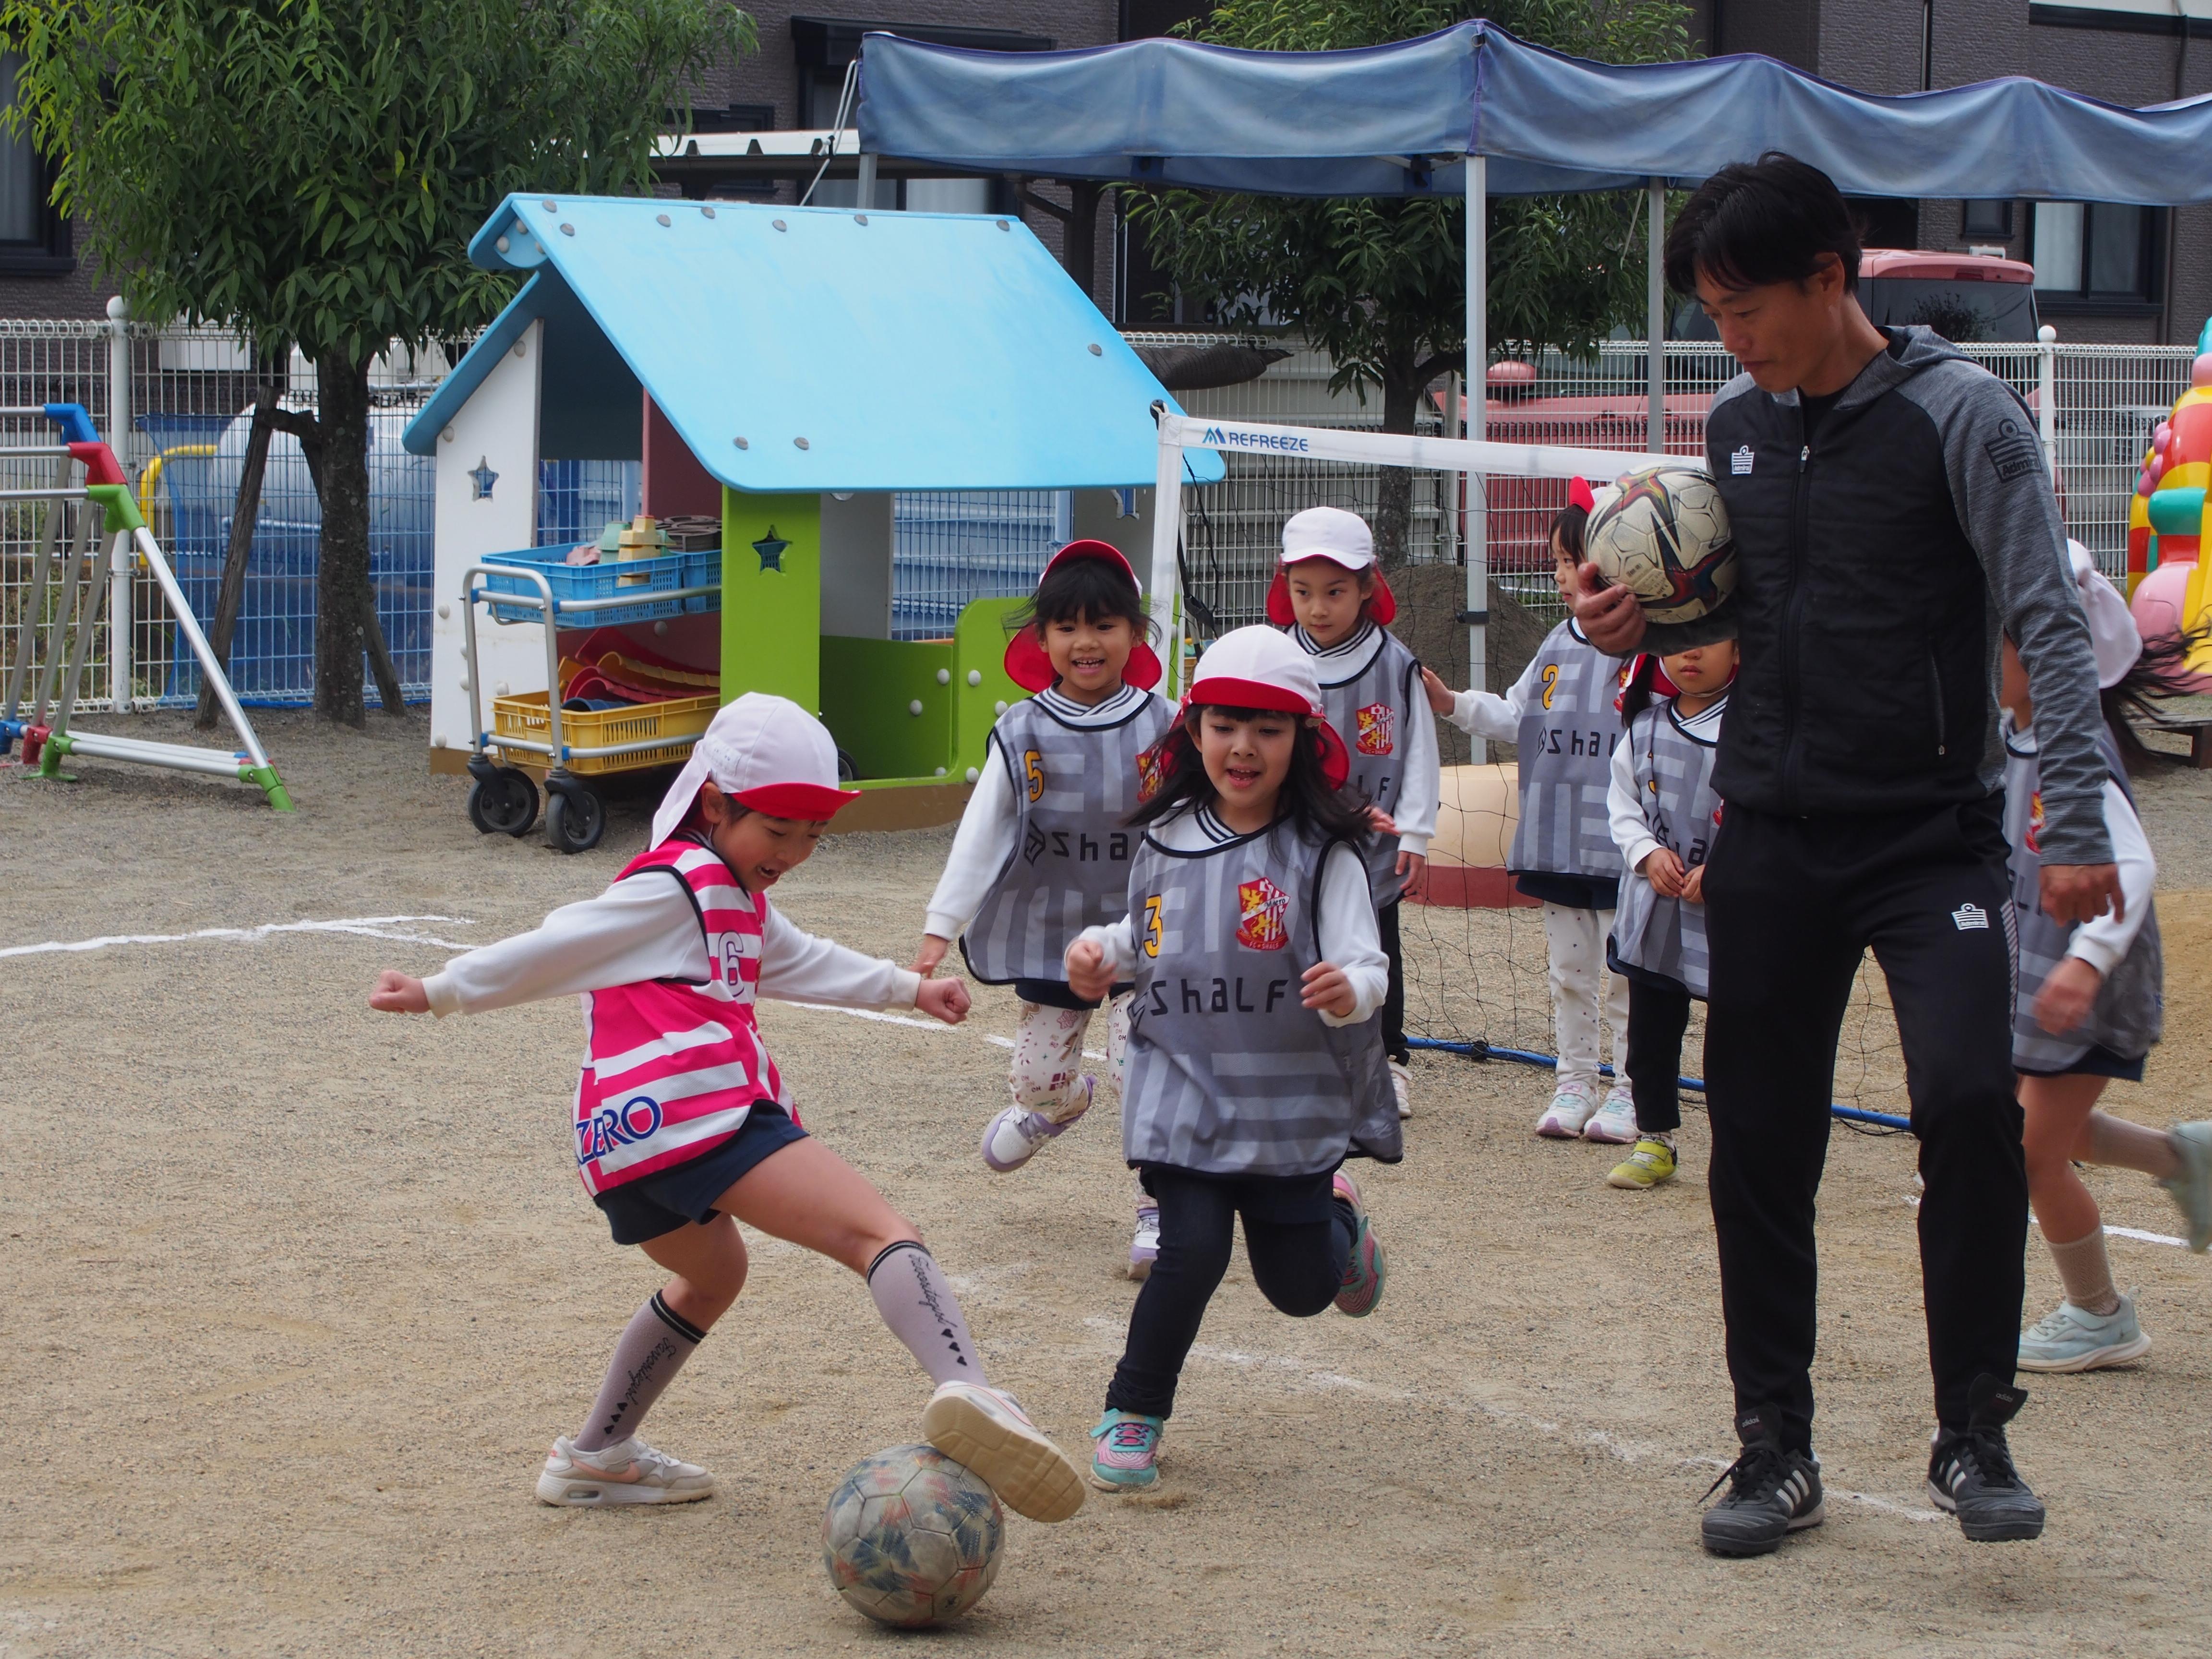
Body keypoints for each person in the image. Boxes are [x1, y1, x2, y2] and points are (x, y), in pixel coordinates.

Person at [1572, 152, 2120, 1554]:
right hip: (1769, 830)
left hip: (1929, 836)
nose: (1730, 338)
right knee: (1757, 1142)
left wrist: (2071, 800)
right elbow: (1711, 608)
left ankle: (1973, 1432)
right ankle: (1774, 1448)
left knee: (1963, 1108)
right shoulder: (1739, 427)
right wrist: (1617, 622)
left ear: (1833, 276)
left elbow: (2047, 623)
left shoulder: (1964, 418)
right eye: (1713, 312)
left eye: (1746, 307)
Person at [368, 694, 1086, 1524]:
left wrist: (907, 988)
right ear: (714, 803)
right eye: (777, 832)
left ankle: (595, 1455)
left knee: (715, 1274)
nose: (795, 852)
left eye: (813, 835)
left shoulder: (725, 895)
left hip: (619, 1148)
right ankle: (974, 1390)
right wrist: (440, 990)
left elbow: (798, 960)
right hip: (699, 1108)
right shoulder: (677, 885)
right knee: (881, 1234)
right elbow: (560, 943)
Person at [1065, 627, 1400, 1493]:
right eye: (1222, 726)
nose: (1241, 747)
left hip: (1285, 1103)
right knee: (1191, 1249)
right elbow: (1144, 942)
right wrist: (1100, 951)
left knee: (1296, 1289)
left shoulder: (1320, 855)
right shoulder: (1165, 837)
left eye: (1266, 729)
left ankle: (1338, 1225)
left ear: (1302, 743)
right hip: (1182, 1087)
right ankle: (1133, 1408)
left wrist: (1351, 989)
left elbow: (1368, 963)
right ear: (1194, 733)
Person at [915, 541, 1174, 1277]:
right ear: (1042, 640)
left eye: (1104, 625)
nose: (1086, 643)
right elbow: (984, 832)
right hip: (1049, 930)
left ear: (1135, 633)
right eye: (1066, 627)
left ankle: (1159, 1208)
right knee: (1034, 1079)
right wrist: (941, 927)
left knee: (1145, 1074)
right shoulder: (1021, 730)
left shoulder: (1169, 723)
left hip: (1145, 931)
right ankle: (1059, 1105)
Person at [2005, 550, 2212, 1371]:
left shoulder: (2072, 748)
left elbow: (2132, 865)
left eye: (2000, 637)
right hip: (2041, 971)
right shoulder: (2009, 733)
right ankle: (2183, 1158)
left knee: (2028, 1147)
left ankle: (2099, 1314)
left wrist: (2085, 963)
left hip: (2090, 981)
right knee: (2045, 1127)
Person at [1424, 485, 1636, 1143]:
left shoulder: (1647, 651)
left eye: (1569, 560)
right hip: (1555, 843)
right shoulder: (1554, 644)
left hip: (1622, 851)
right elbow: (1519, 717)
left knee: (1628, 982)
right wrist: (1451, 701)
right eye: (1555, 563)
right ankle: (1574, 1082)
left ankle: (1632, 1092)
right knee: (1569, 974)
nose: (1559, 574)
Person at [1271, 505, 1439, 1119]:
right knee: (1290, 942)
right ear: (1285, 586)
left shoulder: (1396, 665)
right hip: (1290, 841)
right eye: (1304, 591)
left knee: (1375, 947)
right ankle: (1299, 1051)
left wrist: (1415, 835)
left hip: (1373, 847)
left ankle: (1386, 1061)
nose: (1318, 608)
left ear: (1368, 586)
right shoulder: (1273, 657)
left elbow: (1420, 750)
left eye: (1336, 592)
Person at [1602, 636, 1738, 1191]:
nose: (1691, 654)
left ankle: (1739, 1146)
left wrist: (1728, 868)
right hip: (1656, 909)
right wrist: (1647, 853)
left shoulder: (1752, 728)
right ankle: (1654, 1137)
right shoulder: (1644, 728)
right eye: (1678, 643)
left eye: (1708, 640)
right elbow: (1623, 804)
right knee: (1652, 1032)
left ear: (1740, 651)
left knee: (1736, 1036)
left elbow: (1762, 809)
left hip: (1730, 913)